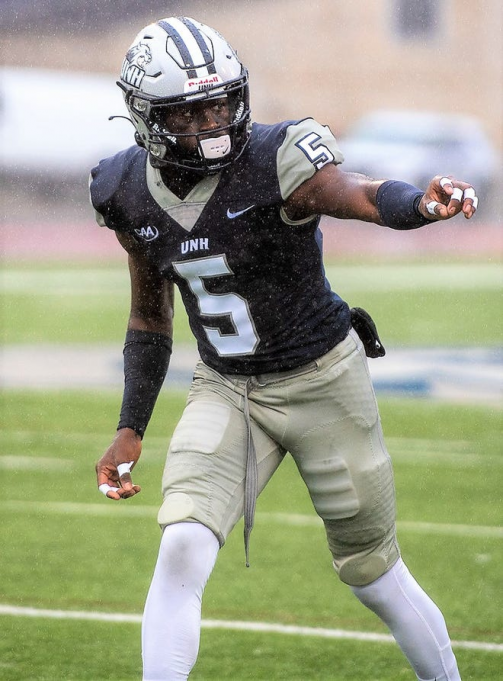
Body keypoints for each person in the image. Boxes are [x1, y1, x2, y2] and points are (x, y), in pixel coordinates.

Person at [91, 16, 477, 681]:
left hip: (324, 382)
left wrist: (418, 204)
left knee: (372, 575)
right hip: (227, 387)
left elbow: (353, 192)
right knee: (181, 545)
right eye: (191, 111)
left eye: (220, 102)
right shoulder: (124, 188)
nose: (213, 121)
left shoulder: (276, 158)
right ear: (147, 115)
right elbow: (149, 316)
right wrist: (130, 427)